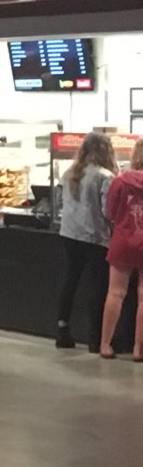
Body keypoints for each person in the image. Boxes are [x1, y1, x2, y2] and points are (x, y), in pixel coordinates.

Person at [54, 133, 114, 351]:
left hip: (69, 233)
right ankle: (94, 338)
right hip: (95, 236)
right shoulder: (105, 176)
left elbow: (59, 202)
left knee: (70, 280)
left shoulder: (69, 172)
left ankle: (62, 329)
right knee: (97, 286)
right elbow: (109, 211)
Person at [98, 143, 143, 361]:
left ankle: (106, 345)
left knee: (116, 293)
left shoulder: (119, 181)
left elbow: (111, 212)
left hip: (123, 240)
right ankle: (138, 349)